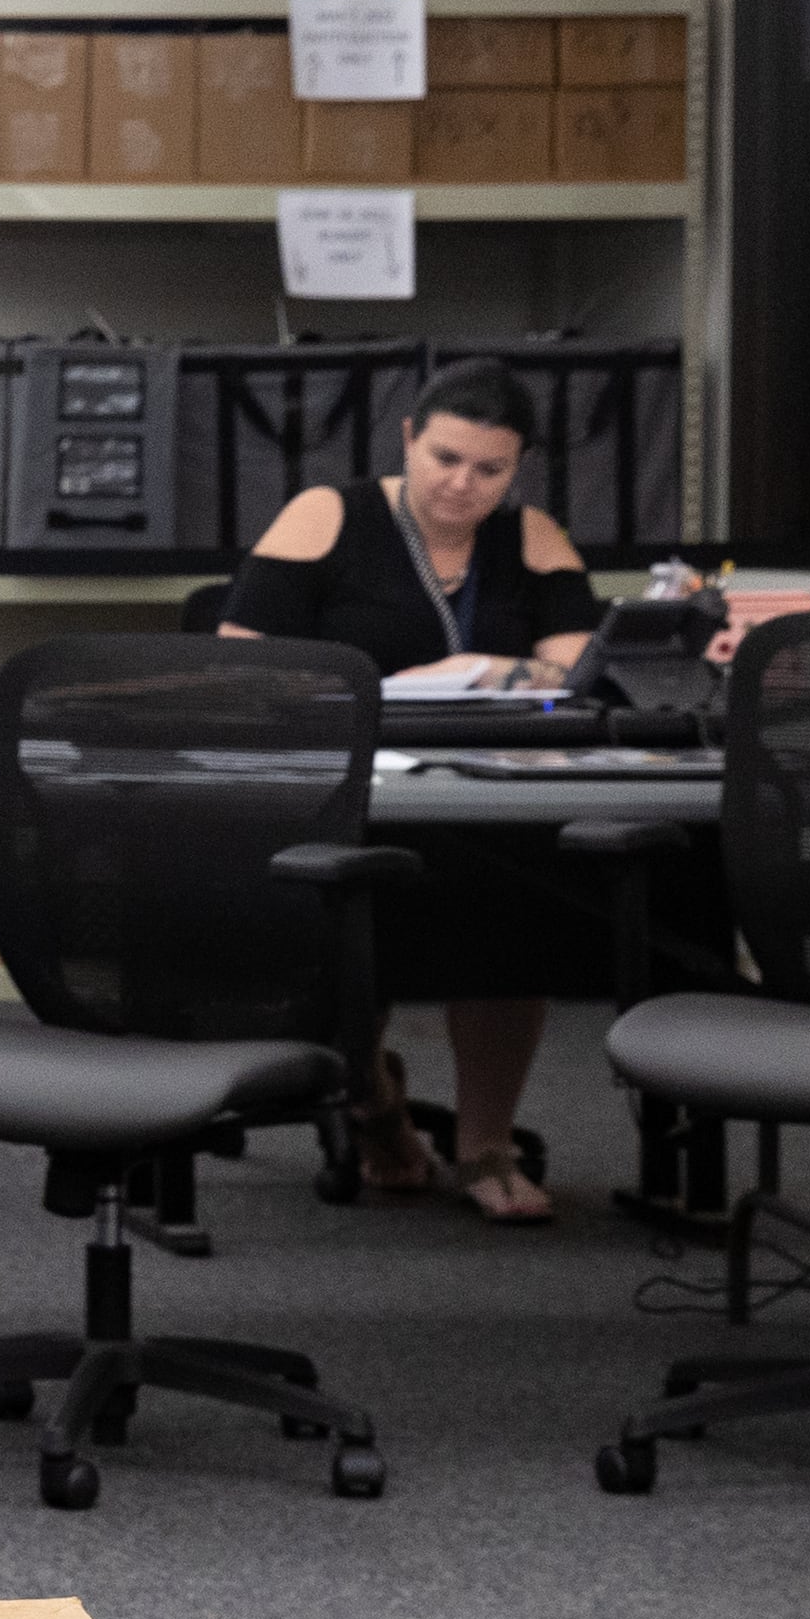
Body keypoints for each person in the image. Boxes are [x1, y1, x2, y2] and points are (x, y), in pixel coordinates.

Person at [218, 359, 604, 1223]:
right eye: (445, 459)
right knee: (349, 908)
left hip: (487, 795)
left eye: (489, 470)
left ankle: (485, 1146)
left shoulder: (528, 535)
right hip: (347, 791)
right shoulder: (330, 516)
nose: (463, 485)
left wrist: (484, 666)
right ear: (408, 440)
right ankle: (372, 1103)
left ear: (519, 469)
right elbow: (239, 659)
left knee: (516, 897)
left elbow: (583, 669)